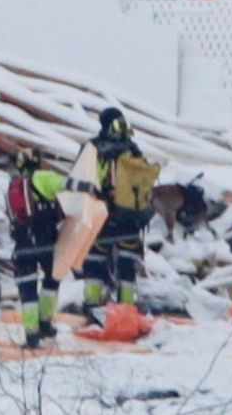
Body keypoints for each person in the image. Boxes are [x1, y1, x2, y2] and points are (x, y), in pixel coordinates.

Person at [78, 107, 160, 321]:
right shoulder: (132, 149)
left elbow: (80, 179)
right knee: (127, 264)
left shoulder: (92, 148)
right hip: (130, 217)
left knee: (94, 261)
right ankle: (127, 307)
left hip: (100, 213)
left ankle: (91, 305)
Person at [6, 150, 67, 348]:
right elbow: (66, 184)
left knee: (27, 290)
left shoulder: (14, 186)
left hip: (23, 243)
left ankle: (31, 335)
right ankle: (45, 324)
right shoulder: (43, 177)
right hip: (46, 241)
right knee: (52, 280)